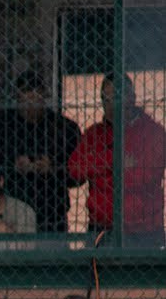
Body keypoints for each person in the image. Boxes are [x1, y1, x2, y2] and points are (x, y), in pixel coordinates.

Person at [68, 74, 166, 248]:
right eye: (108, 99)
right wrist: (114, 161)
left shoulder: (152, 132)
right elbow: (75, 170)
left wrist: (99, 172)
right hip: (102, 228)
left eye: (118, 97)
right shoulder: (94, 134)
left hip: (145, 230)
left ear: (132, 97)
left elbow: (147, 175)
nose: (113, 104)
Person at [0, 70, 81, 234]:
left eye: (35, 96)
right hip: (14, 207)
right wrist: (13, 166)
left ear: (44, 96)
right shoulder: (3, 126)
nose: (31, 103)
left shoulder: (63, 128)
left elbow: (78, 176)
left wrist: (53, 168)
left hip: (52, 210)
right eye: (25, 98)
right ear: (17, 99)